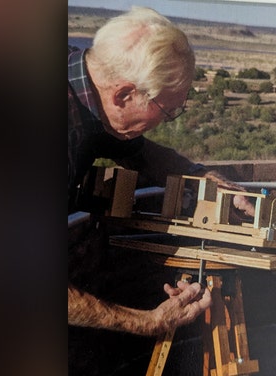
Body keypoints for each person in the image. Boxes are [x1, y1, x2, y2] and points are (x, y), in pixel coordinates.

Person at [67, 10, 257, 372]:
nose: (167, 121)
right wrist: (149, 321)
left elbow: (137, 152)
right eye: (167, 112)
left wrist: (202, 178)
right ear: (123, 94)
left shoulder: (88, 84)